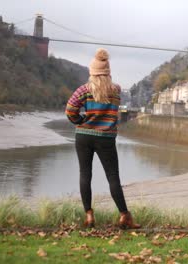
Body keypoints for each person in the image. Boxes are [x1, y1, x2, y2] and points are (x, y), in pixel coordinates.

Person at [65, 48, 140, 229]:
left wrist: (81, 120)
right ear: (108, 72)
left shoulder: (83, 90)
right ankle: (124, 216)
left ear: (92, 72)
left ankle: (89, 216)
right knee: (113, 177)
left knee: (85, 175)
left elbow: (69, 110)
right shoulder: (116, 90)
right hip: (106, 138)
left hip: (83, 136)